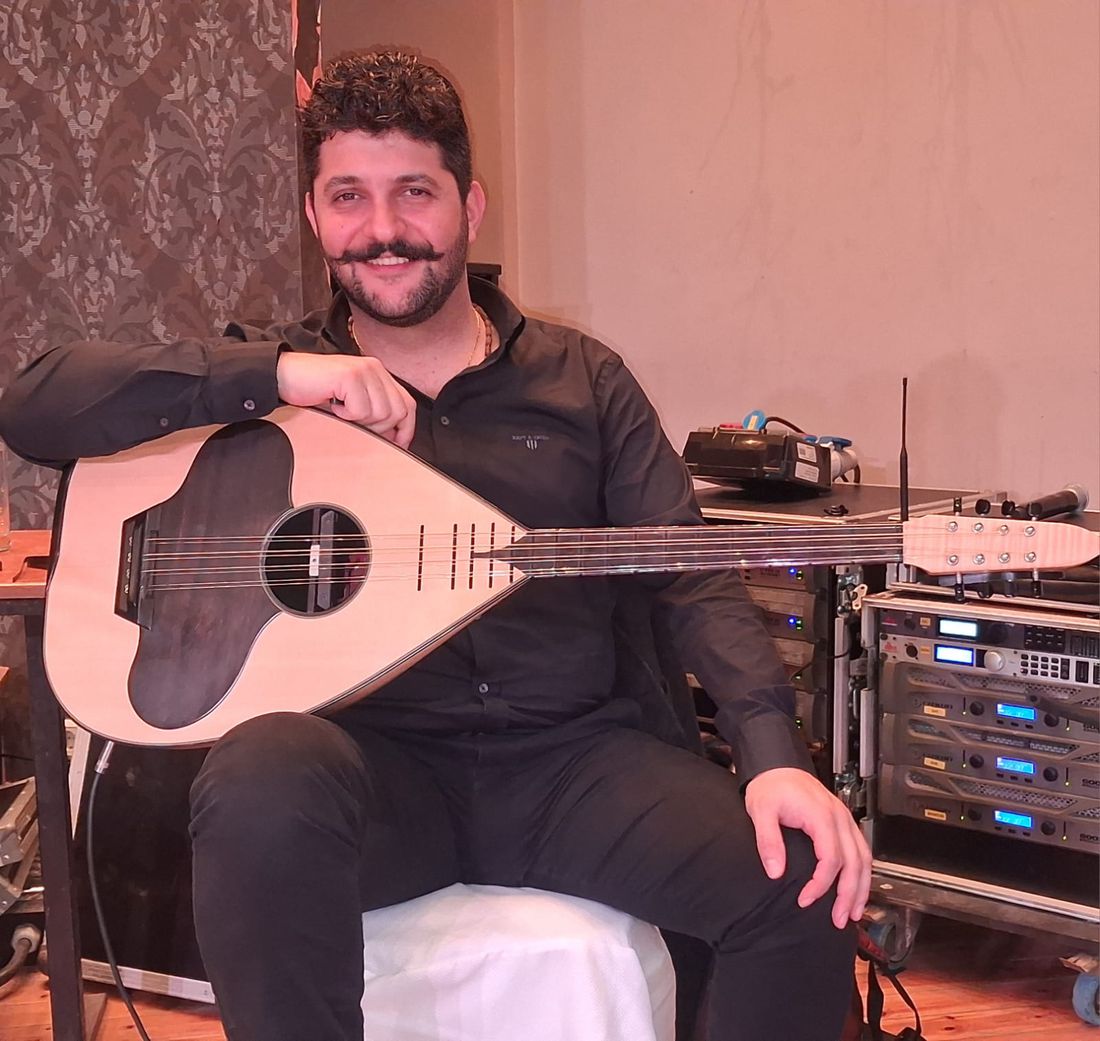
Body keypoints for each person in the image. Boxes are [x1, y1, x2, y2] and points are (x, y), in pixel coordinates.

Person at [0, 51, 870, 1041]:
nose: (382, 230)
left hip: (569, 766)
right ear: (314, 214)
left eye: (414, 192)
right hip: (376, 776)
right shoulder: (276, 388)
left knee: (804, 881)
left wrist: (771, 757)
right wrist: (281, 375)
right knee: (256, 778)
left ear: (469, 205)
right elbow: (34, 405)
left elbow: (687, 574)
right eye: (348, 197)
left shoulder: (582, 381)